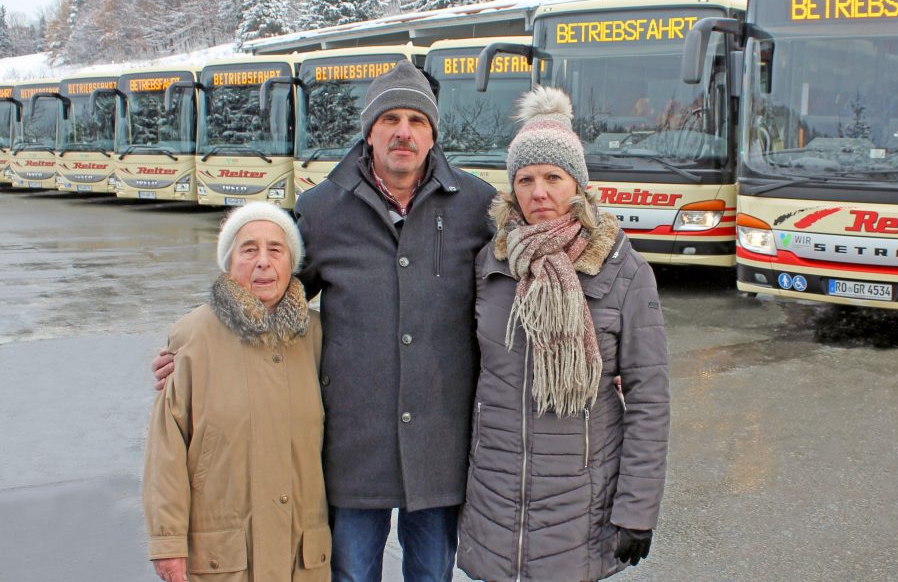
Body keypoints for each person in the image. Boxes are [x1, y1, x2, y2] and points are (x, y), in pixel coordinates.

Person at [153, 61, 494, 581]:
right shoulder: (323, 208)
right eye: (390, 120)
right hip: (352, 445)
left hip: (440, 445)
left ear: (432, 133)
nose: (403, 132)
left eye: (416, 121)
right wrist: (198, 351)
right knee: (350, 574)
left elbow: (517, 293)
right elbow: (268, 296)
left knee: (431, 575)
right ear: (370, 131)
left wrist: (605, 353)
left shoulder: (477, 206)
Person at [456, 86, 670, 581]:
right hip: (496, 499)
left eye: (553, 177)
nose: (539, 192)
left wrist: (638, 508)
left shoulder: (622, 270)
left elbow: (649, 398)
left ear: (578, 184)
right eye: (526, 179)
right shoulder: (491, 263)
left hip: (581, 504)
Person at [144, 203, 330, 582]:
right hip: (223, 556)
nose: (263, 262)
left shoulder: (318, 336)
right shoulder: (192, 336)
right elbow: (167, 449)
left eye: (275, 250)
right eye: (249, 250)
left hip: (302, 553)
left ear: (291, 263)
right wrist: (168, 543)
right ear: (229, 263)